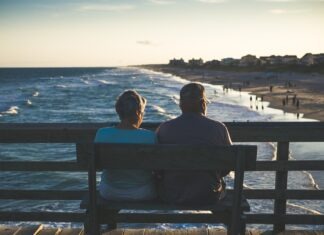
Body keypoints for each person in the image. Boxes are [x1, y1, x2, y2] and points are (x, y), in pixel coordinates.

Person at [156, 83, 232, 205]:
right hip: (209, 194)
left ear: (181, 104)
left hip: (172, 194)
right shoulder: (219, 128)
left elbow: (157, 166)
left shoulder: (164, 128)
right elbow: (229, 164)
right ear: (203, 104)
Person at [95, 90, 156, 201]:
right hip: (141, 193)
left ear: (118, 111)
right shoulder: (149, 136)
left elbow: (98, 167)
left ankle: (111, 218)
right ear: (138, 112)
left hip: (109, 192)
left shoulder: (102, 133)